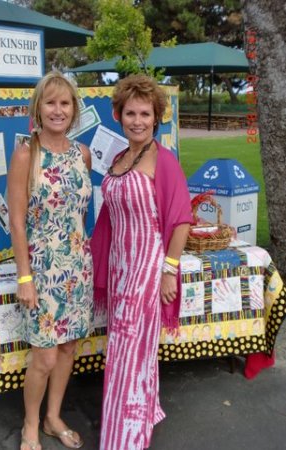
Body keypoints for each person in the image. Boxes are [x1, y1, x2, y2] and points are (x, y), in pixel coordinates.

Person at [90, 73, 193, 450]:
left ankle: (126, 437)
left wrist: (169, 271)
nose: (137, 120)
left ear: (156, 117)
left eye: (145, 114)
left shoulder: (163, 161)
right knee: (130, 349)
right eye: (130, 112)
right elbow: (109, 217)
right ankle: (142, 411)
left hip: (148, 268)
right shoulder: (120, 157)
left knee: (130, 349)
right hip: (119, 268)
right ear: (119, 115)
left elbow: (181, 218)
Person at [7, 71, 93, 450]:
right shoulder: (27, 152)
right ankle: (29, 424)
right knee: (43, 357)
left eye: (65, 103)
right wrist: (24, 277)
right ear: (38, 108)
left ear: (74, 110)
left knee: (68, 349)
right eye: (50, 102)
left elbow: (79, 214)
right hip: (41, 273)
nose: (58, 110)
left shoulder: (83, 154)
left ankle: (52, 417)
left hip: (77, 269)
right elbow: (16, 218)